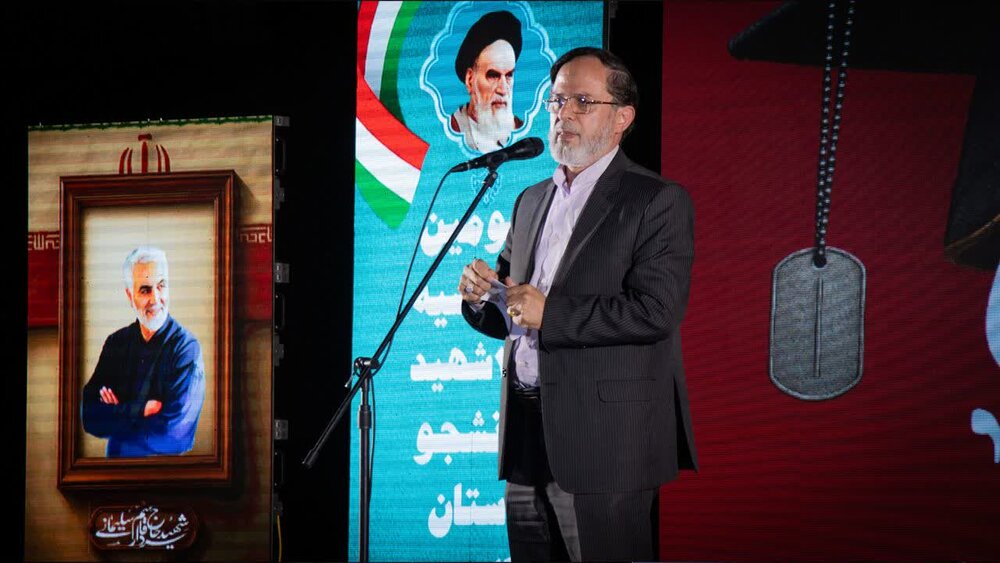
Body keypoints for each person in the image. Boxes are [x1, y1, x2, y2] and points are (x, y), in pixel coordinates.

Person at [458, 47, 697, 561]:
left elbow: (655, 311)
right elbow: (512, 306)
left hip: (604, 443)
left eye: (582, 102)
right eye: (556, 100)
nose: (563, 113)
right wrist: (481, 297)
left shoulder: (655, 200)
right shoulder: (531, 200)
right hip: (525, 436)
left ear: (622, 118)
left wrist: (551, 314)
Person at [81, 246, 206, 458]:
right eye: (145, 290)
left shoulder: (186, 349)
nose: (156, 299)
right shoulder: (116, 343)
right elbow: (89, 417)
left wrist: (117, 417)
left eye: (161, 286)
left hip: (167, 474)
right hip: (116, 473)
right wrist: (140, 409)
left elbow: (174, 436)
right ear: (130, 296)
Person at [450, 10, 525, 152]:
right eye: (493, 76)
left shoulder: (523, 132)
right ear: (470, 80)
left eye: (509, 75)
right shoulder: (452, 129)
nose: (503, 89)